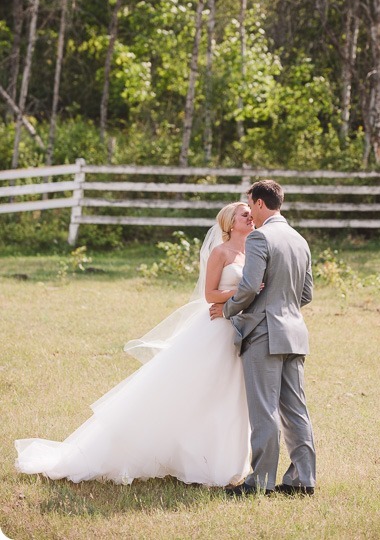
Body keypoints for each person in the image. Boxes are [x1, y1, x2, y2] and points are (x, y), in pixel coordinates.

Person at [15, 202, 254, 487]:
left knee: (229, 396)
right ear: (229, 223)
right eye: (244, 214)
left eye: (251, 213)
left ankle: (222, 461)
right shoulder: (220, 252)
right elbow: (210, 294)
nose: (250, 217)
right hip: (215, 330)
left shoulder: (252, 250)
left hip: (239, 329)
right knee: (195, 392)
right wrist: (240, 291)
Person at [210, 180, 316, 496]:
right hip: (295, 332)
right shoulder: (300, 240)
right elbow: (306, 293)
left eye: (249, 205)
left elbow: (248, 287)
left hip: (264, 333)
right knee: (296, 409)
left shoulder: (260, 237)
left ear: (258, 203)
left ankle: (261, 482)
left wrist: (227, 308)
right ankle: (302, 481)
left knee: (264, 409)